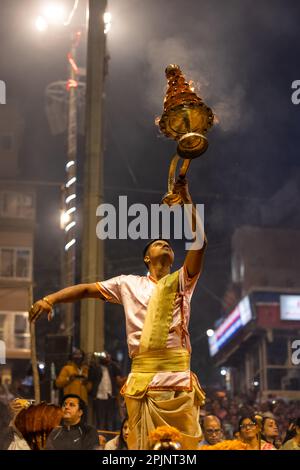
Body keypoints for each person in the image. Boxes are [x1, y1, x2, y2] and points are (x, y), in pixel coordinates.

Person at [30, 178, 207, 450]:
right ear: (147, 257)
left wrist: (188, 202)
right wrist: (49, 299)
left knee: (182, 451)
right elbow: (88, 288)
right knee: (141, 448)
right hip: (141, 384)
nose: (166, 245)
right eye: (159, 243)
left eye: (169, 244)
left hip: (176, 383)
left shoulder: (182, 281)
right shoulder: (128, 283)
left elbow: (200, 243)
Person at [89, 352, 124, 431]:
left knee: (110, 420)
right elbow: (91, 379)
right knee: (99, 420)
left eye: (107, 356)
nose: (106, 357)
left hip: (110, 396)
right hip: (99, 396)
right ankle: (99, 438)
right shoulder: (96, 367)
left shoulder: (112, 367)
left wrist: (111, 362)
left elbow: (119, 377)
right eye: (104, 356)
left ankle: (109, 437)